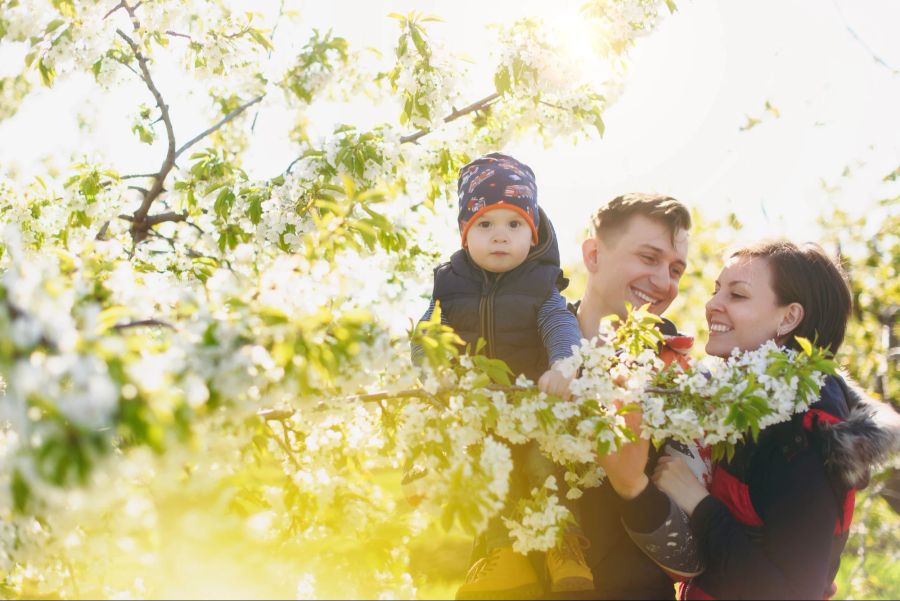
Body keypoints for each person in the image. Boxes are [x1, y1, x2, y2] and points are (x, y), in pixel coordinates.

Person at [623, 240, 900, 599]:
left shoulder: (805, 429)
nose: (712, 305)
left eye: (737, 295)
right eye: (715, 290)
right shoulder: (742, 401)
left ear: (788, 317)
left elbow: (790, 592)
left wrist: (699, 504)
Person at [411, 153, 593, 599]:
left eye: (514, 225)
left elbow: (561, 326)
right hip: (479, 414)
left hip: (533, 409)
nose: (500, 237)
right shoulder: (447, 287)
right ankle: (503, 558)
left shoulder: (540, 285)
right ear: (465, 233)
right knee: (487, 484)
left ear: (532, 235)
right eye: (485, 224)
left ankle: (563, 548)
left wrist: (562, 368)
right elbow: (425, 337)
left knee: (541, 469)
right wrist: (435, 374)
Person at [568, 192, 702, 600]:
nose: (665, 283)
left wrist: (633, 486)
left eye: (676, 269)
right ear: (593, 255)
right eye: (648, 258)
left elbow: (691, 554)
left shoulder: (673, 369)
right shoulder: (525, 347)